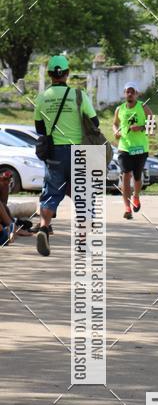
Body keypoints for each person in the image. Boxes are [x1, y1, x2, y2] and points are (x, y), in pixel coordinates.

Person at [34, 55, 99, 256]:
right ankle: (81, 240)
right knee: (83, 195)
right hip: (79, 152)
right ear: (67, 74)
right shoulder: (78, 95)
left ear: (51, 74)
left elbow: (40, 128)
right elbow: (94, 123)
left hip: (55, 153)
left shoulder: (42, 97)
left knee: (51, 192)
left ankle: (44, 227)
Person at [112, 83, 152, 219]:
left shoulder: (143, 107)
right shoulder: (119, 109)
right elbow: (115, 123)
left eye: (132, 92)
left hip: (140, 148)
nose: (129, 94)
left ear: (137, 94)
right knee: (126, 175)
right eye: (127, 92)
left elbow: (153, 125)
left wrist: (141, 127)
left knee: (137, 177)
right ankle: (127, 207)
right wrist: (115, 131)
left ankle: (136, 196)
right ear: (124, 93)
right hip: (124, 147)